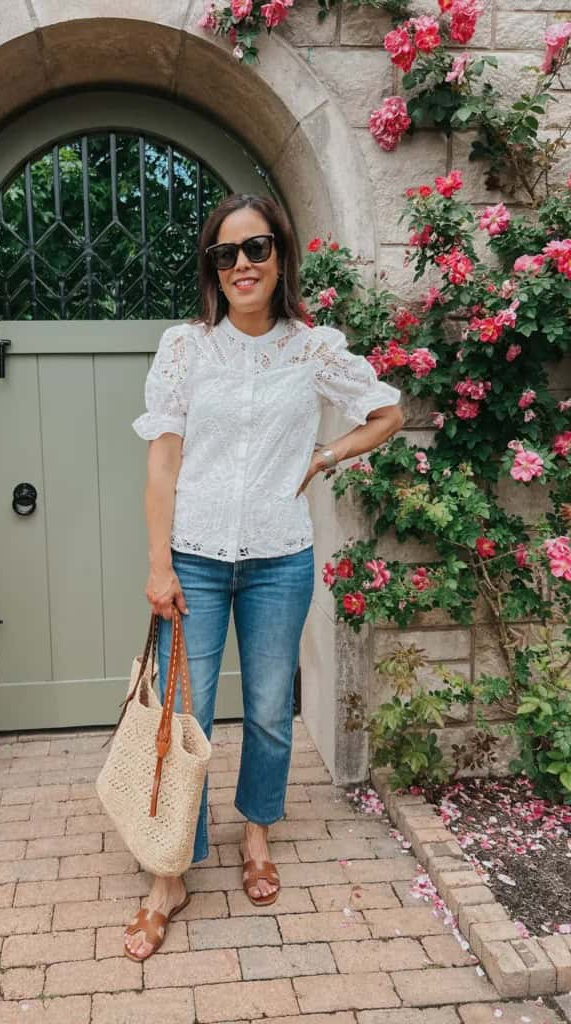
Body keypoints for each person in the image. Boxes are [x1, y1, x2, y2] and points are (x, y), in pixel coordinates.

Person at [124, 193, 403, 961]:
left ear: (281, 256)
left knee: (273, 710)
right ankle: (169, 873)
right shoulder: (185, 348)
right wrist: (159, 564)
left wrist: (325, 456)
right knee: (186, 715)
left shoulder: (314, 350)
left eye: (256, 248)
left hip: (280, 559)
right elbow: (163, 463)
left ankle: (255, 836)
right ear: (212, 267)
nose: (241, 264)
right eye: (226, 253)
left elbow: (385, 413)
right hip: (195, 557)